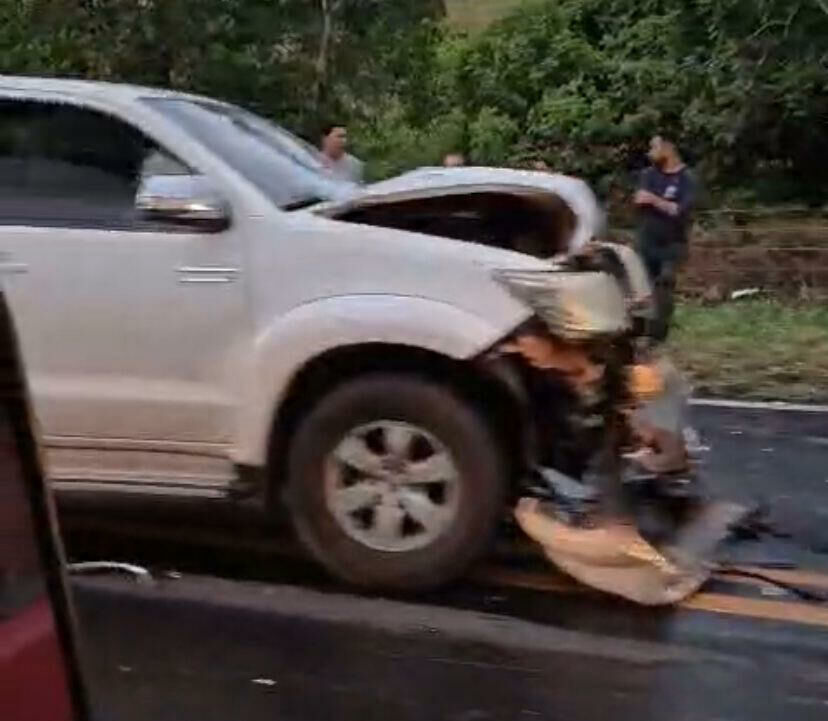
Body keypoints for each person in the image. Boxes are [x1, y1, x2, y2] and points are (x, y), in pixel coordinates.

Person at [634, 134, 696, 342]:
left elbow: (681, 210)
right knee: (643, 286)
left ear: (668, 148)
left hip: (672, 243)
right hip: (647, 241)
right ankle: (641, 331)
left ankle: (658, 334)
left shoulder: (687, 178)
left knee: (664, 286)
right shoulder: (649, 174)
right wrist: (664, 204)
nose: (650, 152)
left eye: (654, 147)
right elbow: (639, 200)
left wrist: (654, 199)